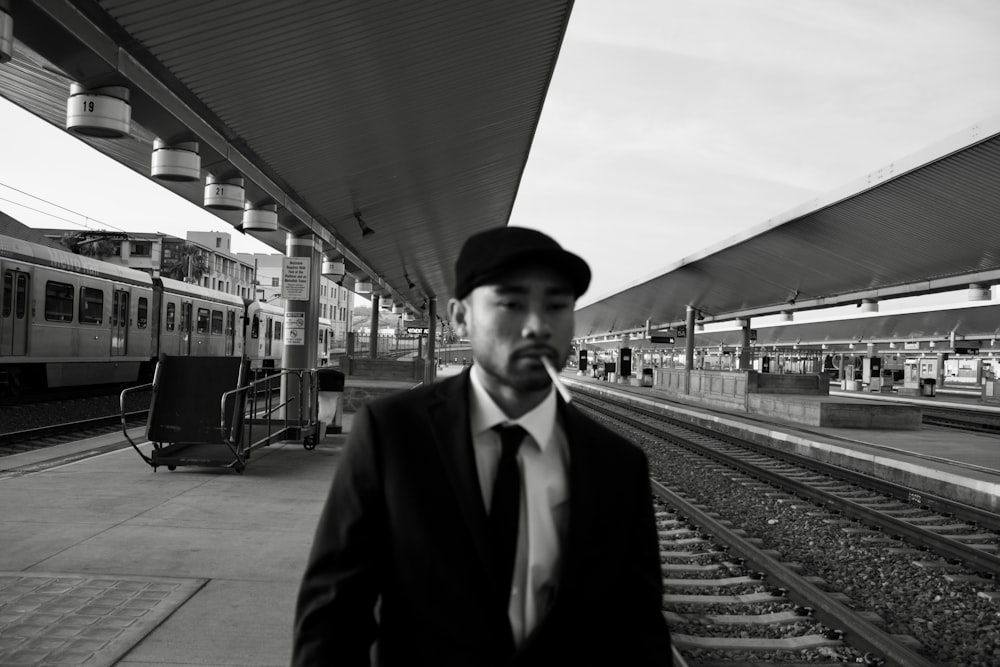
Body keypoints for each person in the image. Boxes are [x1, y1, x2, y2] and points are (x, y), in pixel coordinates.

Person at [293, 226, 672, 666]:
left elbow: (638, 629)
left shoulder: (616, 464)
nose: (537, 326)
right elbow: (334, 612)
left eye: (557, 305)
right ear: (459, 316)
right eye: (511, 304)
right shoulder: (394, 434)